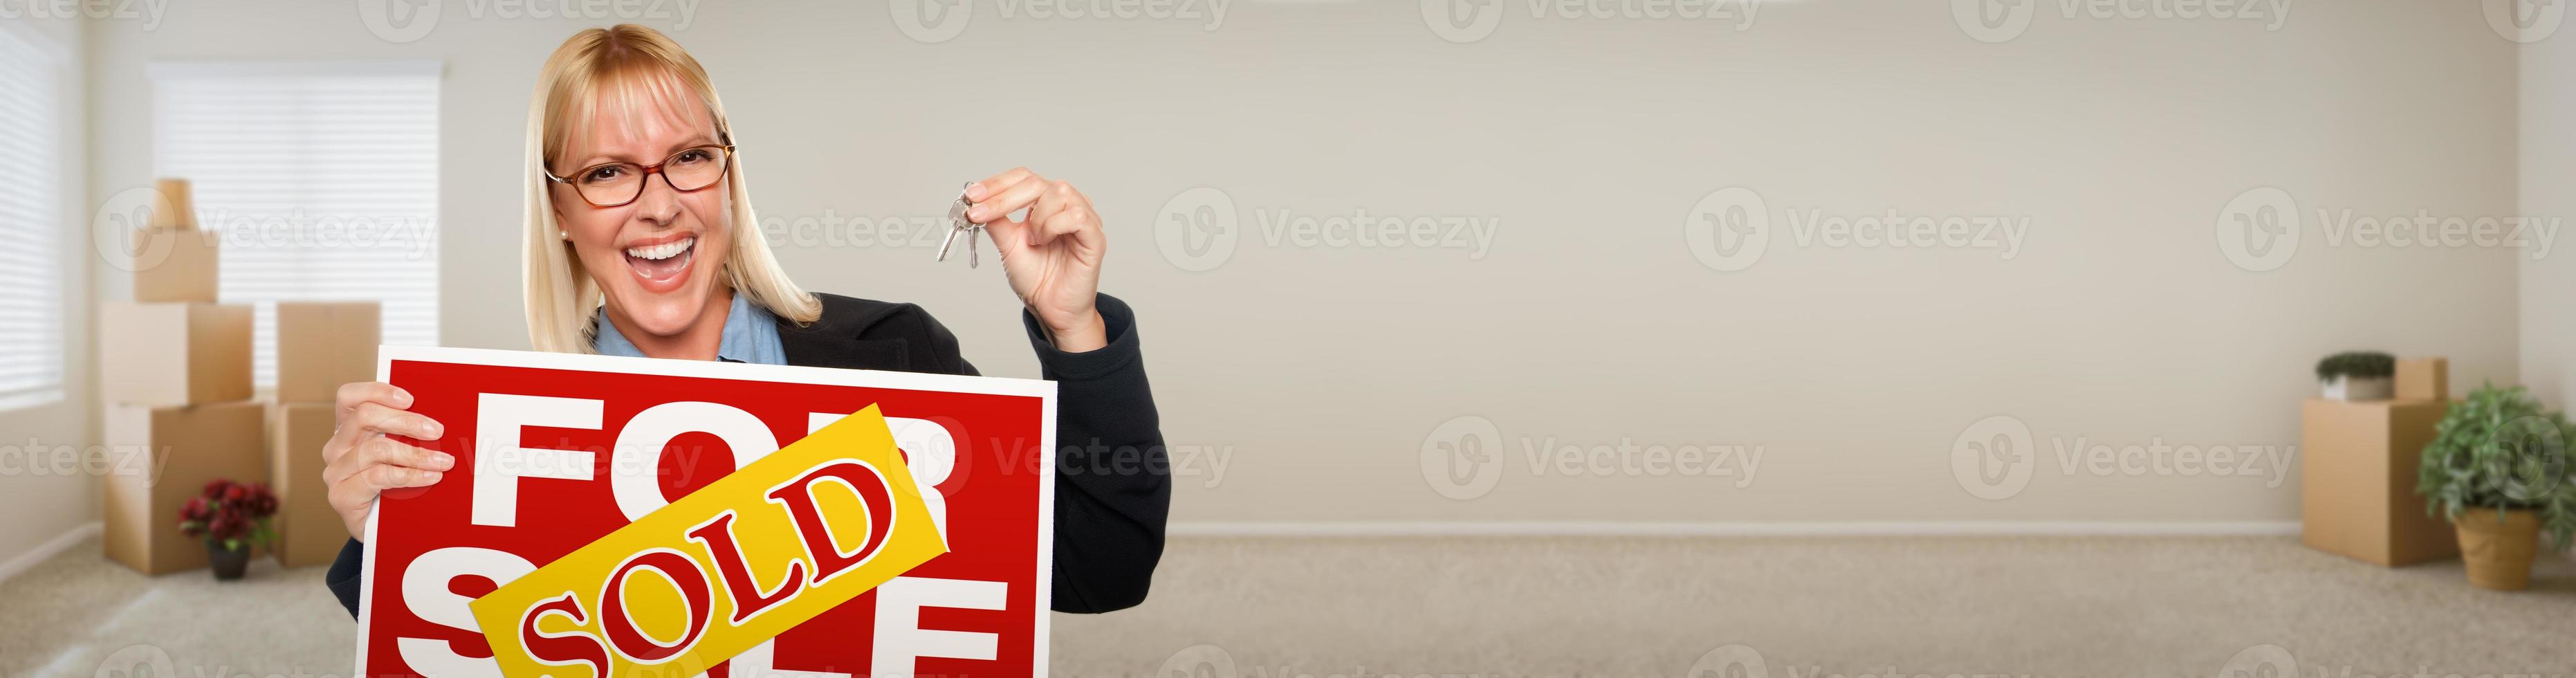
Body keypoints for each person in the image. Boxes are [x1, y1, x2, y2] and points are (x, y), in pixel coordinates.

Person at [318, 24, 1168, 616]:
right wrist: (385, 539)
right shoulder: (497, 444)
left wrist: (1074, 324)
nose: (659, 206)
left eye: (689, 157)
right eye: (609, 171)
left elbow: (1106, 564)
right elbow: (465, 644)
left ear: (727, 176)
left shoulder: (894, 354)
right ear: (562, 214)